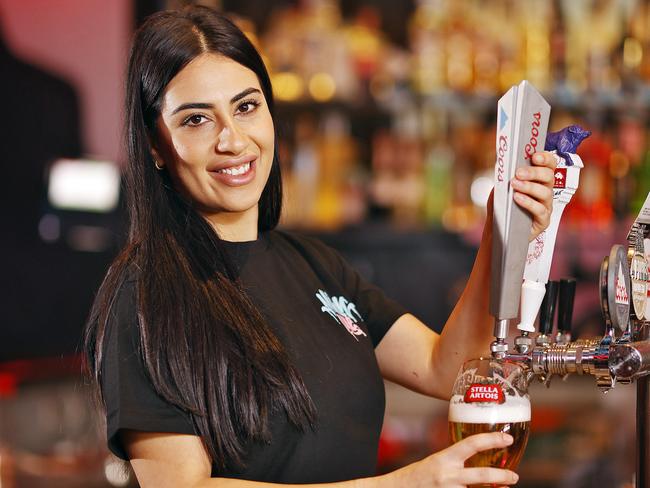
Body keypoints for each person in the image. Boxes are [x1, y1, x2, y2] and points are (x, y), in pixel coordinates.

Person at [84, 6, 557, 487]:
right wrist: (402, 484)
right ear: (155, 148)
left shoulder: (316, 267)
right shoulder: (145, 295)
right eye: (196, 120)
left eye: (246, 107)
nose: (233, 139)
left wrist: (502, 237)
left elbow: (447, 368)